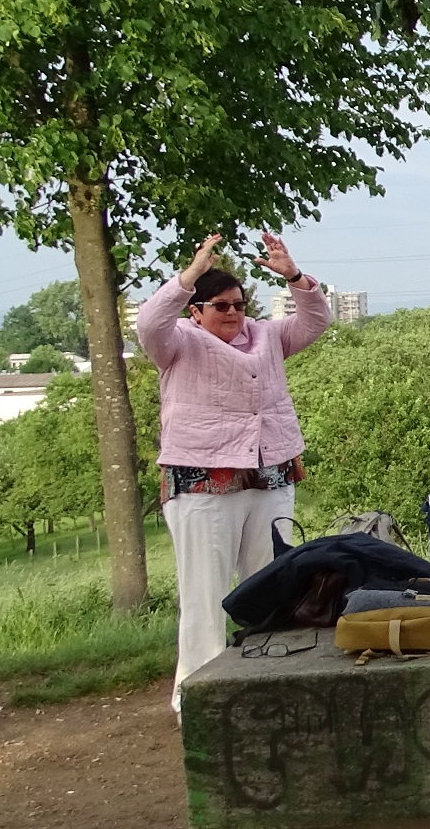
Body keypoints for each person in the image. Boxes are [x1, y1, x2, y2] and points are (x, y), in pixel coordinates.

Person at [136, 232, 331, 702]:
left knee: (269, 585)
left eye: (239, 305)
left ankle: (266, 686)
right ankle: (198, 697)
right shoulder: (176, 341)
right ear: (195, 311)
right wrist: (191, 274)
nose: (232, 313)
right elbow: (149, 321)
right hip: (202, 484)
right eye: (220, 305)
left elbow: (317, 319)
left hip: (270, 476)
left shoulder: (268, 336)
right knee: (204, 596)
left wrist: (293, 275)